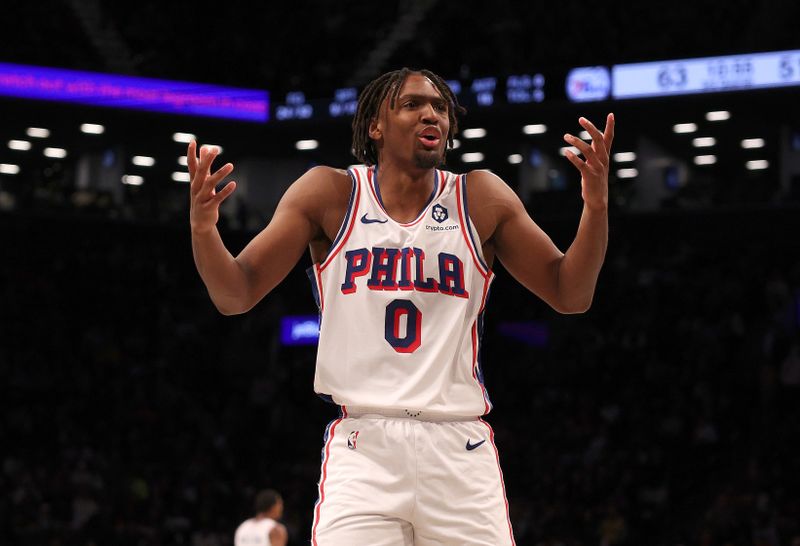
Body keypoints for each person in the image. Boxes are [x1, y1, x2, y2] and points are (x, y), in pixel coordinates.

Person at [189, 67, 614, 545]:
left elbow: (571, 294)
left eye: (439, 107)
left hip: (458, 447)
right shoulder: (330, 194)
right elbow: (234, 294)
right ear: (376, 125)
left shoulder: (480, 198)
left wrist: (595, 209)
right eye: (412, 104)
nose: (431, 113)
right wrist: (204, 232)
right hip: (365, 447)